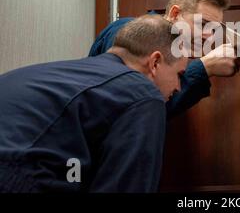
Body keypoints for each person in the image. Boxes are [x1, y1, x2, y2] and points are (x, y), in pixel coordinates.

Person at [0, 15, 187, 192]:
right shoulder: (143, 94)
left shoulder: (51, 73)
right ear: (155, 63)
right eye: (179, 75)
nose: (179, 87)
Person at [90, 0, 237, 117]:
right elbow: (133, 108)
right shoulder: (125, 30)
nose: (209, 36)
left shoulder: (174, 55)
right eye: (203, 24)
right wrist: (205, 67)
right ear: (175, 14)